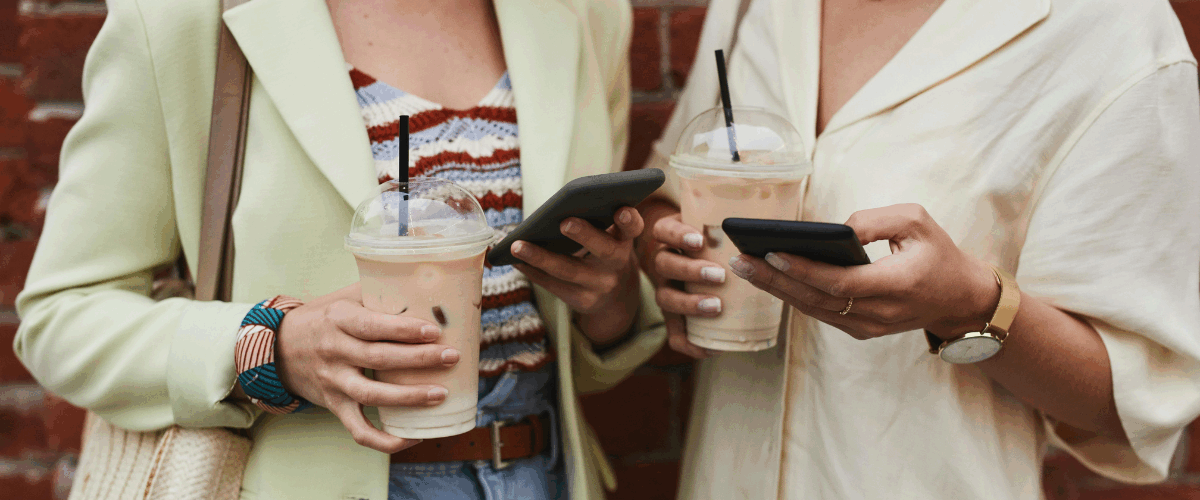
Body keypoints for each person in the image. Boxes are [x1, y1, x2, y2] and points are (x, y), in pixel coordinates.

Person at [13, 0, 666, 499]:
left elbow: (574, 352)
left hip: (538, 472)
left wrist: (608, 302)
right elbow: (60, 316)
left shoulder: (584, 13)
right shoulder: (184, 19)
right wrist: (271, 348)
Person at [637, 0, 1200, 498]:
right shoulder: (750, 7)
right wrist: (669, 258)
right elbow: (671, 192)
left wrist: (969, 306)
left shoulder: (1112, 30)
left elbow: (1128, 400)